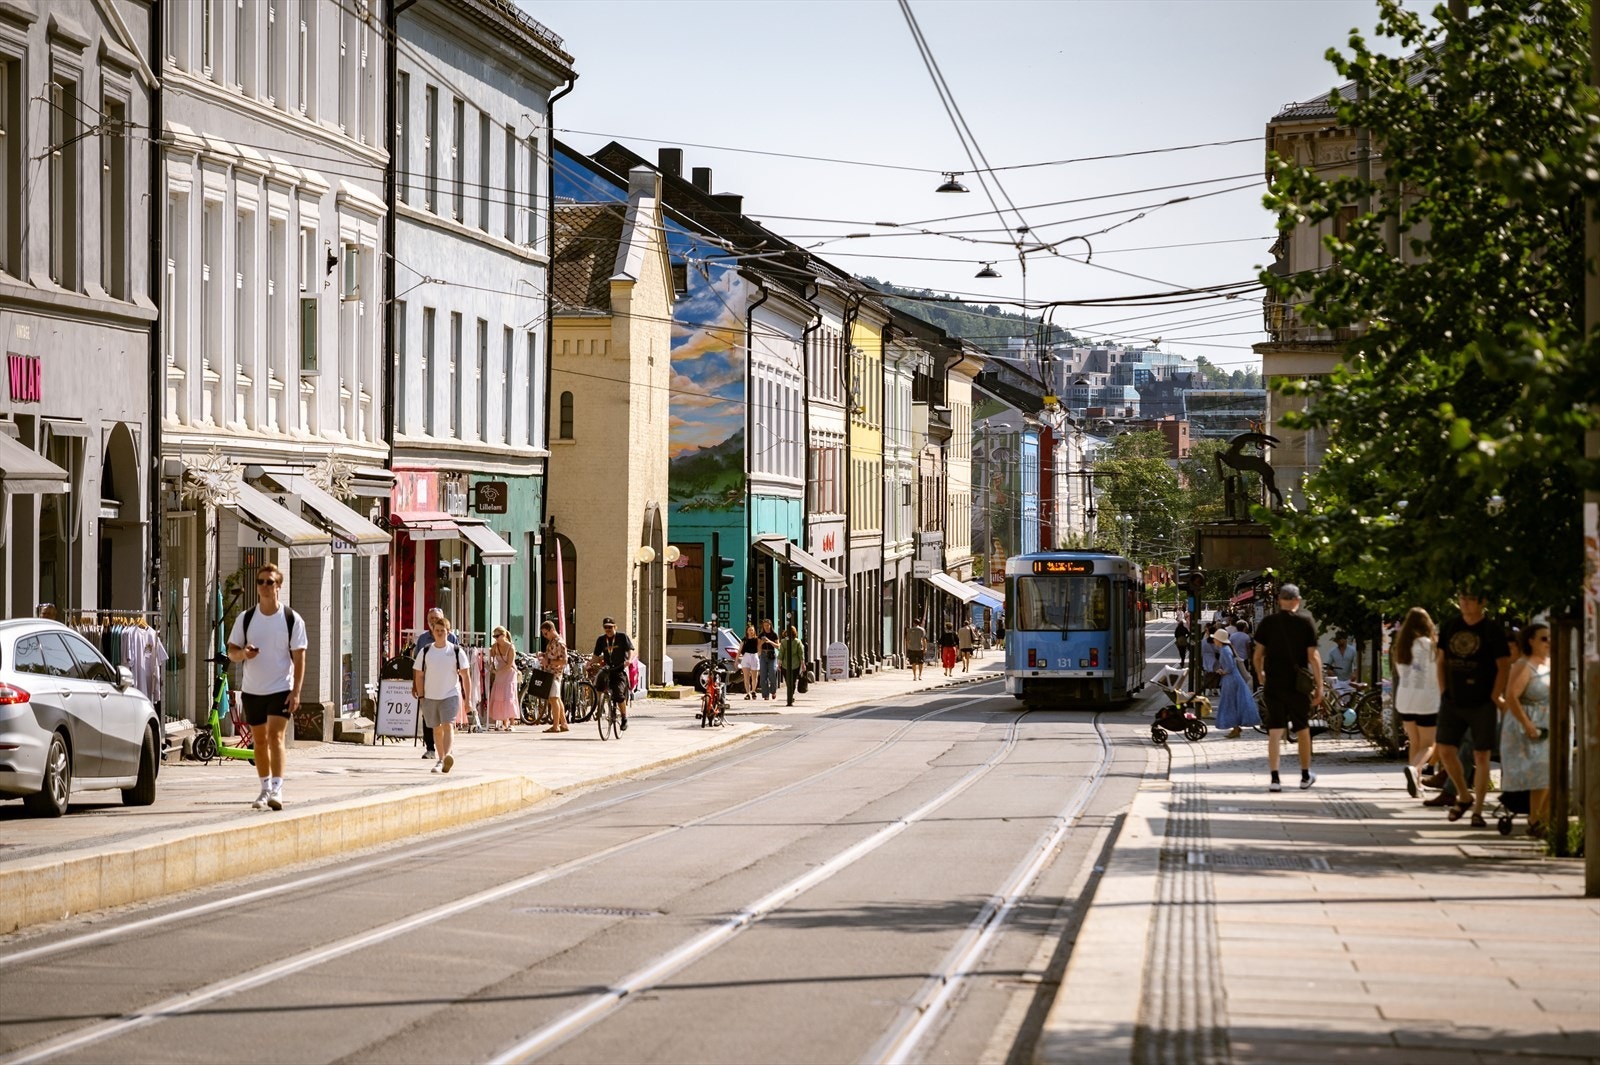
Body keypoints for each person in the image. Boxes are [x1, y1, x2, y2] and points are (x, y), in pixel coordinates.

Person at [227, 563, 307, 810]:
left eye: (269, 582)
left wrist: (296, 691)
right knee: (259, 741)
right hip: (252, 690)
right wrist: (244, 654)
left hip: (281, 687)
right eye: (260, 582)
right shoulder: (247, 618)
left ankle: (277, 788)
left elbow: (300, 656)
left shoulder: (291, 619)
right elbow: (231, 652)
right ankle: (264, 789)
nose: (264, 586)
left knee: (276, 737)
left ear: (278, 586)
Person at [1434, 593, 1512, 828]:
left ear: (1482, 602)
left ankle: (1477, 811)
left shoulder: (1491, 630)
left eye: (1470, 599)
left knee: (1481, 755)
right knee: (1446, 750)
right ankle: (1463, 795)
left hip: (1482, 702)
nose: (1464, 602)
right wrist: (1443, 691)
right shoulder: (1451, 626)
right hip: (1453, 700)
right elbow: (1440, 660)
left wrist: (1494, 694)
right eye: (1461, 598)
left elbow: (1504, 665)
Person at [1252, 583, 1322, 792]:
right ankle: (1305, 775)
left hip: (1274, 682)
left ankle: (1275, 779)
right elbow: (1313, 656)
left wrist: (1260, 674)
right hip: (1297, 685)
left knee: (1275, 731)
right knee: (1302, 729)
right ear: (1297, 601)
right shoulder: (1306, 621)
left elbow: (1257, 655)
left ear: (1280, 601)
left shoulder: (1268, 623)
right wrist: (1319, 685)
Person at [1500, 623, 1552, 836]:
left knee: (1550, 775)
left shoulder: (1549, 664)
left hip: (1548, 725)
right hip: (1529, 726)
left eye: (1550, 638)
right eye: (1543, 638)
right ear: (1530, 640)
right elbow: (1512, 696)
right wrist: (1528, 725)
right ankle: (1535, 820)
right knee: (1540, 774)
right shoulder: (1523, 665)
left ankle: (1544, 820)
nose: (1548, 642)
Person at [1391, 607, 1440, 798]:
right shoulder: (1431, 646)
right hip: (1427, 700)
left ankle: (1417, 783)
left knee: (1415, 741)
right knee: (1429, 744)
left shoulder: (1402, 647)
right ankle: (1414, 769)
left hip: (1405, 700)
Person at [414, 611, 470, 773]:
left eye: (443, 630)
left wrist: (468, 700)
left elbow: (466, 675)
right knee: (436, 729)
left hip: (450, 695)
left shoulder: (456, 651)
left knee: (448, 725)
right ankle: (441, 758)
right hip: (430, 696)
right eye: (437, 630)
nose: (439, 633)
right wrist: (421, 695)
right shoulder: (425, 651)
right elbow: (418, 674)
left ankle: (445, 758)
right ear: (432, 631)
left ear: (448, 632)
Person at [411, 608, 457, 758]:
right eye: (430, 618)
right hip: (428, 685)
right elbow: (417, 666)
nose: (433, 621)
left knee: (446, 722)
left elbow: (460, 666)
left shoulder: (452, 638)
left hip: (448, 686)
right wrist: (415, 685)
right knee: (429, 719)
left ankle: (447, 751)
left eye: (436, 618)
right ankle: (430, 749)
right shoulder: (423, 639)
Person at [1211, 628, 1260, 737]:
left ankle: (1235, 728)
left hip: (1230, 680)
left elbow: (1230, 666)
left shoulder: (1224, 650)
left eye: (1215, 639)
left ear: (1219, 640)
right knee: (1233, 703)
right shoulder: (1226, 649)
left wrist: (1223, 671)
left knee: (1230, 703)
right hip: (1232, 678)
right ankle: (1236, 727)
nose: (1214, 641)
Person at [592, 617, 635, 730]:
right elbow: (596, 655)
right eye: (605, 627)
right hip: (607, 668)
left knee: (618, 695)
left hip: (619, 668)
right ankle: (600, 707)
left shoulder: (622, 637)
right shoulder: (601, 639)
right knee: (599, 682)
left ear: (615, 627)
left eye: (610, 627)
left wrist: (629, 660)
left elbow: (630, 650)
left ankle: (624, 718)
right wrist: (589, 663)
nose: (608, 629)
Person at [487, 626, 520, 732]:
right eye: (494, 636)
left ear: (504, 635)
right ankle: (503, 722)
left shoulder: (511, 647)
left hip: (509, 673)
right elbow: (490, 656)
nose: (495, 638)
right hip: (499, 673)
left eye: (497, 636)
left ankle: (512, 722)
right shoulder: (495, 646)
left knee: (509, 696)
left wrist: (498, 672)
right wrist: (492, 665)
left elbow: (510, 664)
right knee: (500, 696)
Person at [538, 620, 569, 732]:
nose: (545, 636)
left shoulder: (559, 642)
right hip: (551, 673)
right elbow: (552, 655)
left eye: (546, 633)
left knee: (554, 698)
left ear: (552, 630)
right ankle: (563, 723)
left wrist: (548, 662)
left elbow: (564, 660)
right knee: (556, 698)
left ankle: (556, 725)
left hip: (554, 673)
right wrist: (543, 655)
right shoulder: (553, 641)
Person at [778, 625, 806, 707]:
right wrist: (803, 664)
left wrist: (779, 663)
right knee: (793, 681)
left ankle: (789, 696)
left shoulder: (783, 641)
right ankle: (791, 696)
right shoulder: (798, 642)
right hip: (795, 665)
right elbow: (801, 654)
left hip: (785, 665)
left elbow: (781, 653)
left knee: (788, 681)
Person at [757, 618, 780, 701]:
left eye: (768, 625)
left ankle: (773, 691)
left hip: (772, 655)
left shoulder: (774, 634)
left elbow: (778, 646)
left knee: (772, 673)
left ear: (770, 626)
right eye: (765, 625)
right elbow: (758, 647)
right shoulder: (761, 635)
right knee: (763, 675)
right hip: (763, 655)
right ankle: (765, 695)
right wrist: (762, 642)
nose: (766, 627)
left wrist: (769, 641)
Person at [739, 623, 760, 700]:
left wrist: (759, 655)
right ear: (747, 631)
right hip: (746, 656)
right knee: (746, 677)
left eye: (752, 630)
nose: (751, 631)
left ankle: (753, 691)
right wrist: (736, 660)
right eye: (749, 630)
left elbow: (759, 648)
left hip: (754, 656)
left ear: (754, 631)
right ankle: (747, 693)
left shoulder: (757, 639)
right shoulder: (744, 640)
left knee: (755, 676)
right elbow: (740, 650)